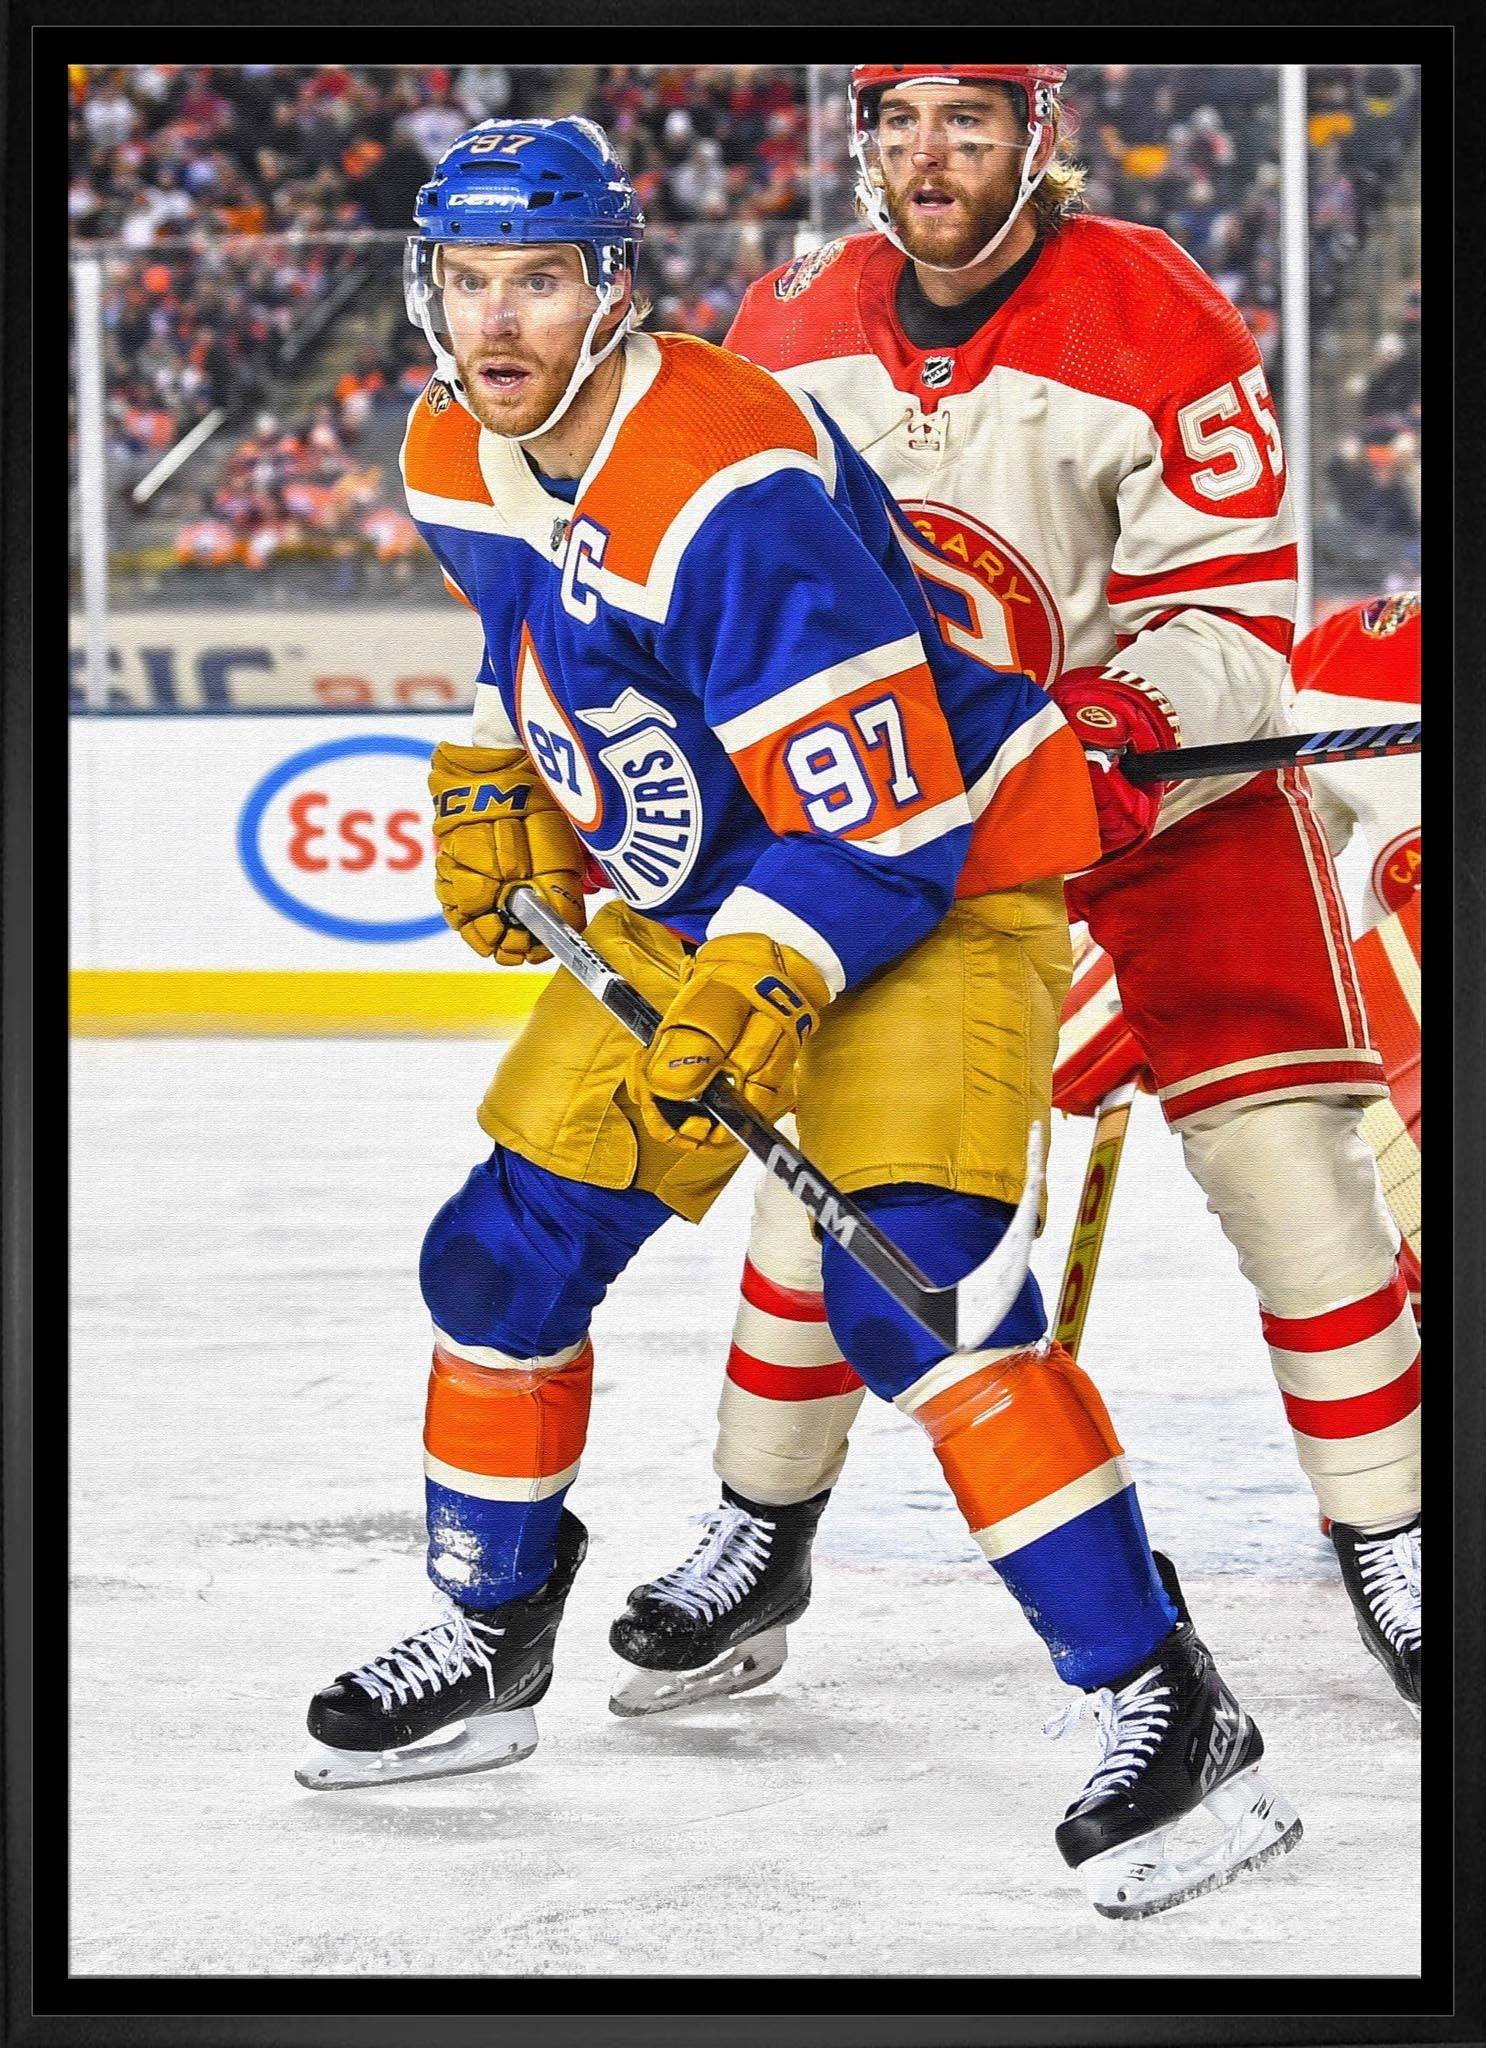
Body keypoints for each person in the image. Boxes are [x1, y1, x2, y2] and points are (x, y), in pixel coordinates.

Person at [296, 115, 1302, 1919]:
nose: (500, 320)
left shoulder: (724, 481)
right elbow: (533, 630)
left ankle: (1167, 1704)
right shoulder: (452, 439)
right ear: (427, 292)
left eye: (541, 279)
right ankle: (491, 1631)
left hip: (935, 873)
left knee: (919, 1293)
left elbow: (884, 825)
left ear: (614, 290)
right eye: (469, 280)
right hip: (712, 890)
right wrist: (494, 763)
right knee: (499, 1257)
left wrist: (765, 973)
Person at [608, 65, 1421, 1721]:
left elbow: (1238, 612)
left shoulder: (1150, 309)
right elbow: (716, 569)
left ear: (1035, 140)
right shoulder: (786, 321)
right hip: (929, 824)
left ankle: (1396, 1536)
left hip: (1173, 803)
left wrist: (1123, 724)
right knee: (837, 1188)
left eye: (967, 123)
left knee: (1288, 1170)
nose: (930, 156)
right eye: (899, 123)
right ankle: (761, 1528)